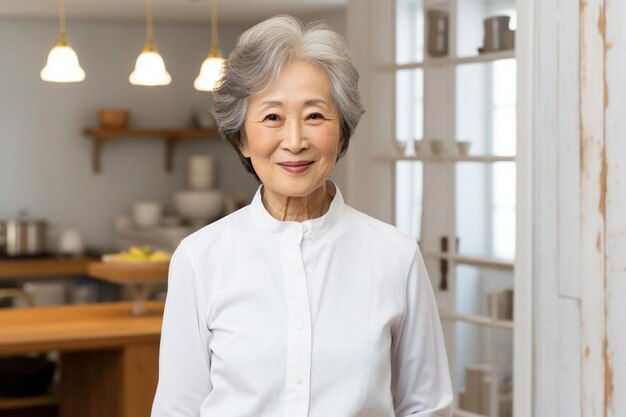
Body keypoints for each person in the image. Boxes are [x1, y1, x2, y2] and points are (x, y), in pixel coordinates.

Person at [151, 15, 452, 417]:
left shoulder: (394, 256)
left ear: (341, 132)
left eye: (314, 116)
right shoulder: (200, 257)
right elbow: (177, 409)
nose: (294, 142)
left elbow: (426, 407)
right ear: (242, 136)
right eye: (272, 117)